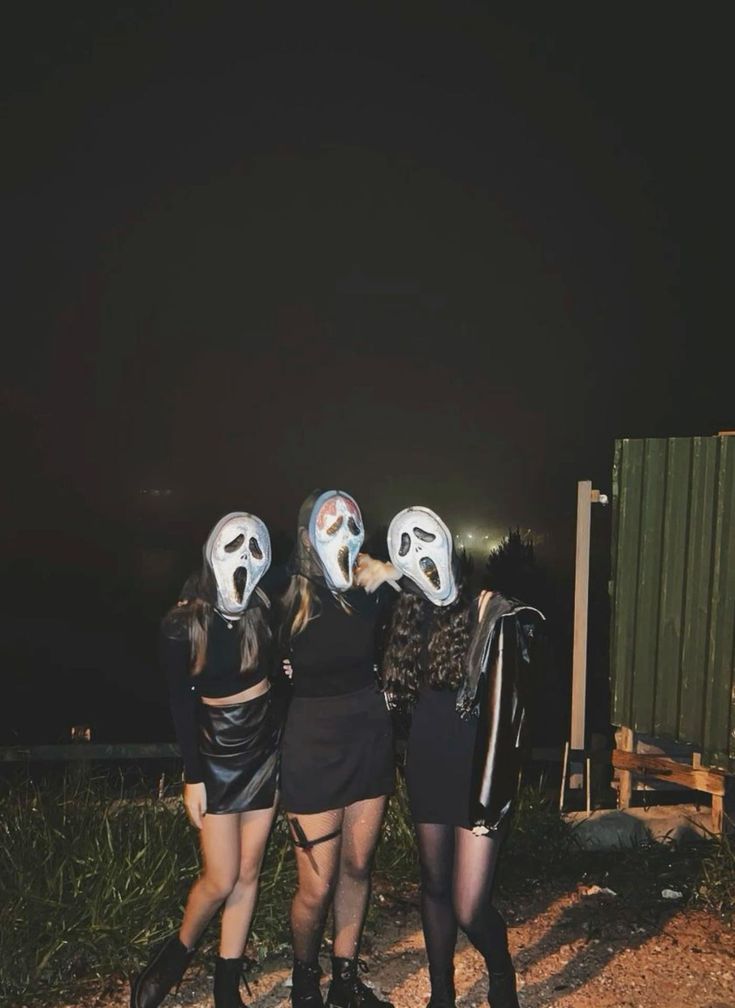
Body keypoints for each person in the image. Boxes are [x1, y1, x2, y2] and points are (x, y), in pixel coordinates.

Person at [361, 506, 543, 1008]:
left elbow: (510, 707)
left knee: (469, 905)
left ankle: (500, 969)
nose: (421, 556)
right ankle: (441, 991)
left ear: (447, 542)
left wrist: (493, 796)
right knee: (435, 887)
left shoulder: (489, 609)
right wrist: (392, 572)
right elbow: (415, 583)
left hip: (481, 774)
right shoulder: (410, 614)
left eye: (428, 540)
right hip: (428, 767)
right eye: (407, 550)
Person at [130, 512, 281, 1008]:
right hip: (215, 751)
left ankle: (225, 987)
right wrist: (192, 776)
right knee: (219, 877)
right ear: (210, 549)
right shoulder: (181, 624)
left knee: (248, 873)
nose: (244, 556)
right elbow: (179, 703)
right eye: (233, 544)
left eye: (254, 548)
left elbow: (281, 677)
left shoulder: (262, 611)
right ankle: (175, 956)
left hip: (262, 748)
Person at [278, 489, 396, 1008]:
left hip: (368, 734)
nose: (343, 532)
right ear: (307, 536)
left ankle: (345, 982)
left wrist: (388, 569)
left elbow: (437, 586)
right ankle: (305, 980)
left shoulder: (368, 588)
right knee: (315, 886)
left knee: (357, 868)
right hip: (312, 744)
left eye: (351, 522)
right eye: (330, 524)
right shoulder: (286, 595)